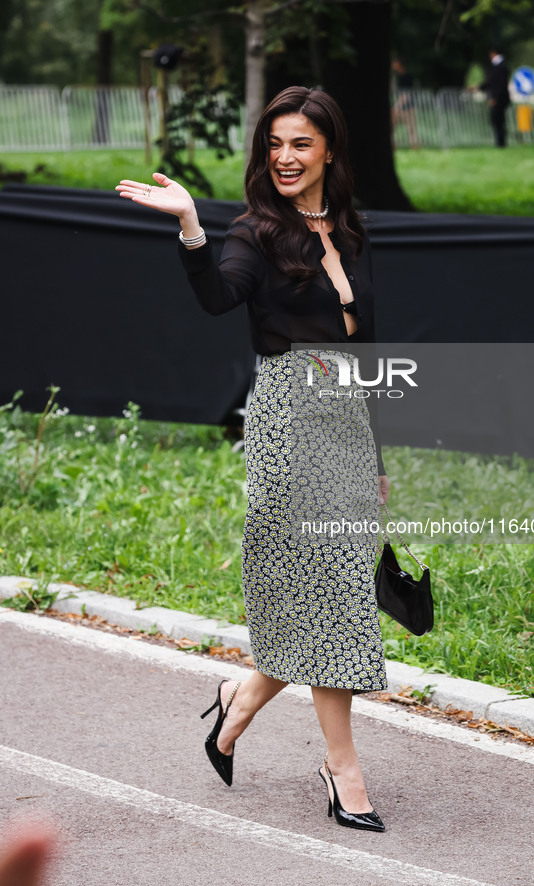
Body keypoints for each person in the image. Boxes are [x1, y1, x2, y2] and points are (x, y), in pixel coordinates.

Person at [116, 85, 391, 833]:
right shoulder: (253, 233)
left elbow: (366, 351)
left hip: (346, 423)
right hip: (286, 422)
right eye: (274, 145)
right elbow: (217, 298)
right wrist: (188, 227)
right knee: (334, 594)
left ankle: (238, 702)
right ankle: (343, 769)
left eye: (300, 143)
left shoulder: (351, 231)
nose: (285, 158)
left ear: (328, 149)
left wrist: (377, 457)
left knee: (326, 592)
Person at [479, 47, 511, 147]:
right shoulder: (499, 66)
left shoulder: (500, 66)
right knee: (497, 120)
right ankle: (500, 142)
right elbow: (492, 82)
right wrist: (480, 87)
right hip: (499, 97)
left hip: (499, 98)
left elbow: (499, 84)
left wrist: (494, 97)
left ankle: (501, 143)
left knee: (498, 120)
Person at [391, 58, 419, 149]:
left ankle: (414, 147)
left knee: (411, 130)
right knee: (392, 127)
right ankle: (393, 146)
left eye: (394, 63)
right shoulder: (398, 77)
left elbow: (405, 94)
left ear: (399, 64)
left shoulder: (406, 77)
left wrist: (396, 107)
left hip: (408, 108)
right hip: (401, 107)